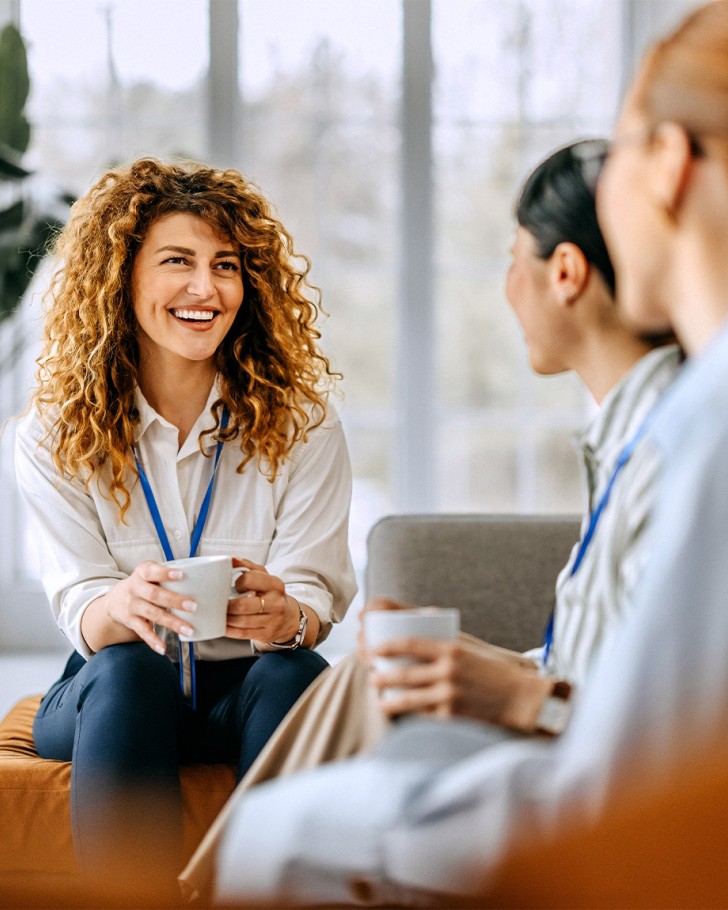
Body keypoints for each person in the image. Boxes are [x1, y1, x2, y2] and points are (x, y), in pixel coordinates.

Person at [213, 4, 728, 903]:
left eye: (622, 153)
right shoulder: (673, 421)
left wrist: (525, 698)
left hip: (618, 814)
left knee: (282, 836)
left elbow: (647, 753)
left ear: (671, 165)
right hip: (612, 787)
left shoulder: (697, 428)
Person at [13, 157, 357, 890]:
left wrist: (288, 613)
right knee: (131, 669)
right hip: (116, 688)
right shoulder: (51, 435)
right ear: (122, 278)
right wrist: (120, 605)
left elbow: (315, 602)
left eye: (225, 266)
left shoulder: (305, 427)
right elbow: (79, 604)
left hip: (247, 688)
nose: (206, 289)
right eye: (178, 261)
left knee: (298, 670)